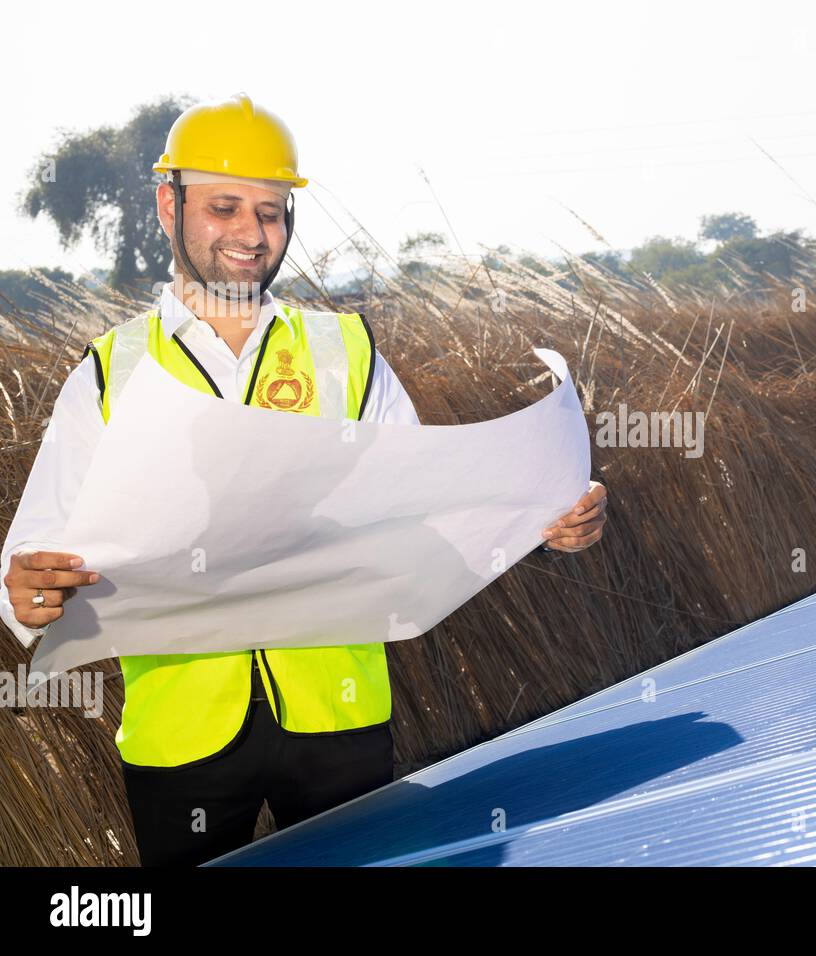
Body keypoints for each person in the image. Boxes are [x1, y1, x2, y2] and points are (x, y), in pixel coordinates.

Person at [0, 93, 608, 867]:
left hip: (340, 725)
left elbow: (434, 503)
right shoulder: (108, 374)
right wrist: (28, 590)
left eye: (275, 213)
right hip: (178, 737)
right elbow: (30, 554)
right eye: (226, 207)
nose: (255, 236)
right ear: (168, 204)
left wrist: (544, 526)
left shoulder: (348, 353)